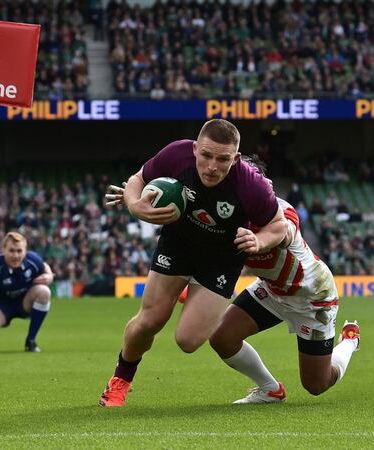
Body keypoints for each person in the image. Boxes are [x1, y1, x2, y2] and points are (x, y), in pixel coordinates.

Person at [98, 119, 287, 407]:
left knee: (188, 341)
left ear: (235, 158)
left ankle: (187, 293)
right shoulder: (177, 154)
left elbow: (279, 226)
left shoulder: (252, 185)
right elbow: (138, 179)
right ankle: (121, 379)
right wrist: (135, 205)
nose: (212, 166)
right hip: (179, 243)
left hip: (223, 258)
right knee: (150, 320)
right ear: (195, 148)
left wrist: (259, 241)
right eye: (206, 155)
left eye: (223, 159)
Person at [209, 157, 360, 404]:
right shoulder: (225, 216)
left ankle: (350, 341)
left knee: (316, 384)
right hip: (272, 290)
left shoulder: (280, 210)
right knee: (222, 337)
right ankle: (270, 389)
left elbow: (286, 230)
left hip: (313, 297)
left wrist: (258, 240)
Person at [0, 231, 54, 354]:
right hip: (0, 306)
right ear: (3, 250)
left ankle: (31, 340)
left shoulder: (32, 260)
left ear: (25, 251)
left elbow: (44, 266)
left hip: (24, 303)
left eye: (19, 251)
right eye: (11, 250)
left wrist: (49, 275)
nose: (16, 255)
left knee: (44, 291)